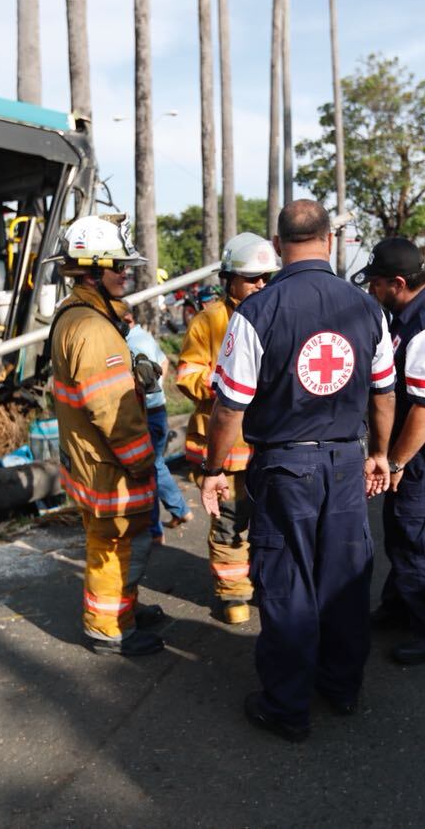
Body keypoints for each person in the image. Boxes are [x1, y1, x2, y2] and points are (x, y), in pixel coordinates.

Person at [200, 199, 396, 743]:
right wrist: (380, 453)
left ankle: (287, 707)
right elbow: (384, 392)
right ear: (329, 241)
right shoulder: (368, 307)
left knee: (288, 582)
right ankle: (342, 686)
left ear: (278, 245)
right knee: (344, 578)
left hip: (285, 466)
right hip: (347, 460)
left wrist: (214, 468)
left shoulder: (256, 312)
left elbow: (229, 407)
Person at [49, 213, 164, 656]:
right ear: (92, 271)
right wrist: (141, 461)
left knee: (112, 543)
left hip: (90, 460)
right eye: (118, 266)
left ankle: (122, 609)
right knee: (117, 545)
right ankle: (110, 629)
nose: (125, 274)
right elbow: (112, 411)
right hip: (111, 466)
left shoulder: (77, 315)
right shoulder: (94, 330)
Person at [357, 238, 425, 666]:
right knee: (402, 529)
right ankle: (400, 606)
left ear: (398, 283)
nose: (372, 290)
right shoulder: (408, 317)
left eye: (377, 283)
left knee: (420, 537)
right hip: (421, 444)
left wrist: (396, 461)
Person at [176, 232, 278, 625]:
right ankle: (233, 594)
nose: (261, 285)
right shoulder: (209, 321)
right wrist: (227, 383)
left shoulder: (276, 313)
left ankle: (266, 584)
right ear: (229, 279)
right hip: (227, 450)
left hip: (270, 448)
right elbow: (187, 374)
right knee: (230, 525)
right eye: (252, 278)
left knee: (271, 523)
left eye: (266, 277)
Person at [123, 311, 193, 547]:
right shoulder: (143, 336)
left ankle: (155, 530)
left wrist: (148, 394)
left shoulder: (131, 343)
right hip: (158, 410)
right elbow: (163, 362)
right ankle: (179, 510)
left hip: (146, 413)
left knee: (148, 470)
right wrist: (158, 389)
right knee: (156, 465)